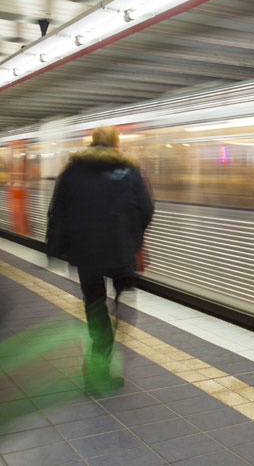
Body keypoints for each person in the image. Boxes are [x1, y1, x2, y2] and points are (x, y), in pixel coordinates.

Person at [46, 125, 154, 393]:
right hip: (120, 253)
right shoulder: (130, 170)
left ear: (92, 143)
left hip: (86, 254)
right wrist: (133, 239)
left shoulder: (72, 170)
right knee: (123, 303)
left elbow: (57, 211)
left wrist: (57, 247)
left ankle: (97, 363)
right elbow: (146, 209)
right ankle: (102, 356)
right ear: (116, 143)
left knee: (95, 310)